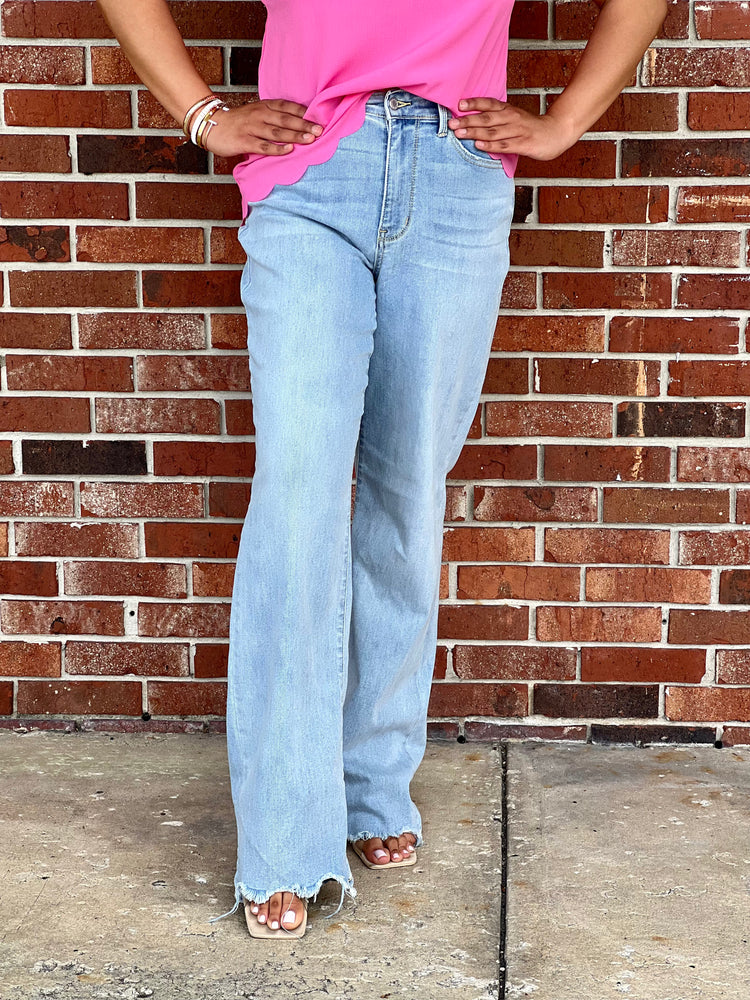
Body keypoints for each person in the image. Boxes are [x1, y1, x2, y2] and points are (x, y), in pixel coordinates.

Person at [96, 0, 668, 940]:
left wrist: (563, 123)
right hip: (309, 173)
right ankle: (285, 837)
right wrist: (204, 116)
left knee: (406, 493)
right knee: (298, 496)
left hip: (455, 176)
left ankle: (373, 782)